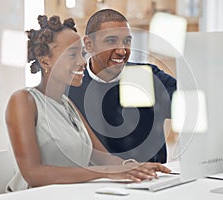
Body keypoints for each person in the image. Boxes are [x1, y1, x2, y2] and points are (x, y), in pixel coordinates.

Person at [5, 15, 170, 192]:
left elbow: (103, 159)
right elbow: (34, 174)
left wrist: (134, 167)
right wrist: (105, 172)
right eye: (72, 54)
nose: (83, 61)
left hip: (70, 194)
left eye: (83, 54)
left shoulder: (68, 105)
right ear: (45, 60)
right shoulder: (23, 101)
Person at [67, 9, 177, 163]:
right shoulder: (70, 88)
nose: (122, 50)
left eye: (127, 41)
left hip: (152, 181)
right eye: (111, 41)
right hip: (93, 183)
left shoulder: (149, 78)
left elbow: (192, 106)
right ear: (89, 44)